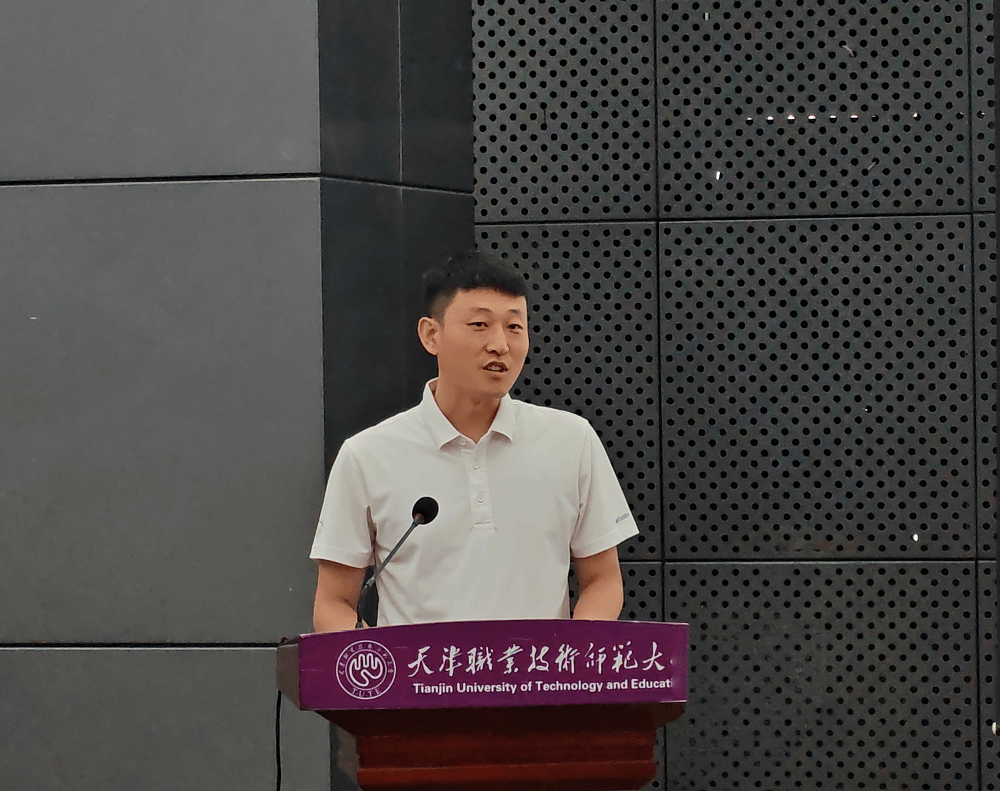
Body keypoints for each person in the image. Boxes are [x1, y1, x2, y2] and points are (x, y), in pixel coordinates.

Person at [310, 251, 638, 631]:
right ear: (431, 335)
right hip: (423, 671)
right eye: (480, 324)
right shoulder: (366, 456)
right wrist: (383, 665)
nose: (500, 344)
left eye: (514, 327)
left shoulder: (572, 441)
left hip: (538, 669)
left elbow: (603, 581)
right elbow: (334, 603)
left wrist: (570, 655)